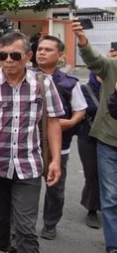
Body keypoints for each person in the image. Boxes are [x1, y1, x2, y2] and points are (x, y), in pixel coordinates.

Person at [0, 31, 64, 253]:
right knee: (0, 220)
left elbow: (53, 123)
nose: (9, 60)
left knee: (25, 230)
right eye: (2, 56)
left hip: (28, 165)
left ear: (28, 56)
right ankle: (1, 246)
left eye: (15, 55)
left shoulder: (43, 84)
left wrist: (56, 160)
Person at [33, 35, 87, 240]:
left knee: (55, 188)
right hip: (28, 144)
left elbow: (80, 109)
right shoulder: (25, 76)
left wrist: (71, 122)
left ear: (60, 55)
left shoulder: (69, 83)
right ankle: (20, 224)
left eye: (47, 49)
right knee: (23, 186)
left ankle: (50, 223)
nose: (42, 52)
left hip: (58, 147)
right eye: (39, 49)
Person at [74, 21, 117, 253]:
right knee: (110, 198)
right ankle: (113, 245)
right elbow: (93, 60)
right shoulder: (112, 67)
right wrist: (81, 38)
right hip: (108, 142)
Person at [79, 73, 103, 229]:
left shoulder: (112, 89)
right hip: (88, 138)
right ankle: (92, 209)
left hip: (110, 138)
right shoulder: (84, 89)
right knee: (92, 174)